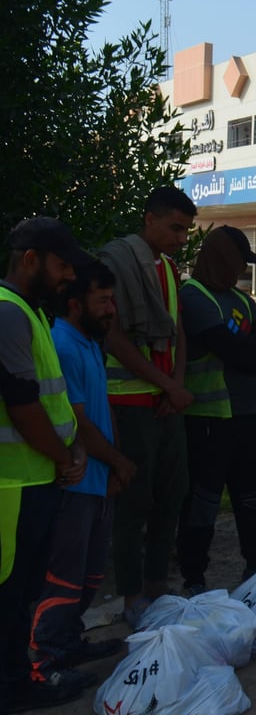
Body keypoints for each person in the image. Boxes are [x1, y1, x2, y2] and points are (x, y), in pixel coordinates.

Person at [0, 217, 92, 712]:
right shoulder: (8, 312)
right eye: (61, 266)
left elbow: (51, 406)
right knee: (8, 598)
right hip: (11, 486)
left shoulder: (30, 313)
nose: (67, 277)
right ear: (30, 259)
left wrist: (72, 452)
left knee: (21, 598)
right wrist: (66, 457)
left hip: (36, 478)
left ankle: (17, 685)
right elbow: (22, 405)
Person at [29, 261, 135, 686]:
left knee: (89, 572)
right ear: (75, 304)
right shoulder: (64, 345)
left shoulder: (90, 343)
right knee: (63, 574)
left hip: (97, 481)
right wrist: (119, 461)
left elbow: (100, 409)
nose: (111, 310)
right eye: (103, 301)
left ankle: (70, 642)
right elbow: (77, 422)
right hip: (75, 482)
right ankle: (45, 659)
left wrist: (115, 462)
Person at [99, 186, 196, 627]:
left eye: (186, 231)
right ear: (149, 219)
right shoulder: (113, 263)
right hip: (130, 402)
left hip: (166, 403)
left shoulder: (171, 269)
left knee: (170, 497)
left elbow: (177, 331)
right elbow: (113, 337)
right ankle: (131, 595)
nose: (181, 238)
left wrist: (175, 386)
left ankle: (158, 586)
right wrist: (165, 386)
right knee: (135, 502)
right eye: (175, 228)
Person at [176, 227, 256, 593]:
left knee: (253, 497)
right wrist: (252, 348)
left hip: (248, 416)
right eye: (239, 262)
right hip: (209, 420)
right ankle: (194, 578)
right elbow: (243, 353)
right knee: (202, 503)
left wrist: (252, 349)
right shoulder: (194, 296)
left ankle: (255, 566)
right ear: (221, 257)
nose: (241, 272)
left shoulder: (241, 299)